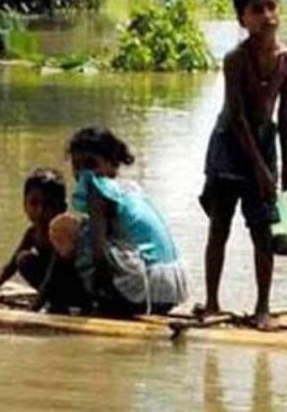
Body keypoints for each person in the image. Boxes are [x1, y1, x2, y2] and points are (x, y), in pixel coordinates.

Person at [199, 0, 287, 330]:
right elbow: (238, 115)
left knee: (262, 229)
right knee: (220, 224)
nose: (267, 15)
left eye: (271, 6)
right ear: (243, 19)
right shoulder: (235, 60)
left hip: (264, 141)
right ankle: (212, 302)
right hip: (230, 144)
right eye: (257, 10)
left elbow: (285, 115)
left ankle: (263, 307)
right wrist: (258, 167)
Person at [43, 127, 189, 316]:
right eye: (77, 166)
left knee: (67, 229)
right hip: (170, 291)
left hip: (147, 294)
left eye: (90, 164)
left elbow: (98, 252)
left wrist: (103, 296)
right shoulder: (130, 188)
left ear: (112, 164)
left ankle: (96, 301)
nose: (83, 173)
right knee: (84, 227)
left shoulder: (99, 190)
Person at [0, 168, 67, 293]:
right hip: (51, 287)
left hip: (71, 286)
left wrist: (36, 305)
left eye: (48, 204)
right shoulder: (32, 233)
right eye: (34, 203)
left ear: (62, 208)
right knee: (23, 258)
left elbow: (54, 272)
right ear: (24, 204)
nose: (40, 211)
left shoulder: (63, 234)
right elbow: (12, 265)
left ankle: (56, 302)